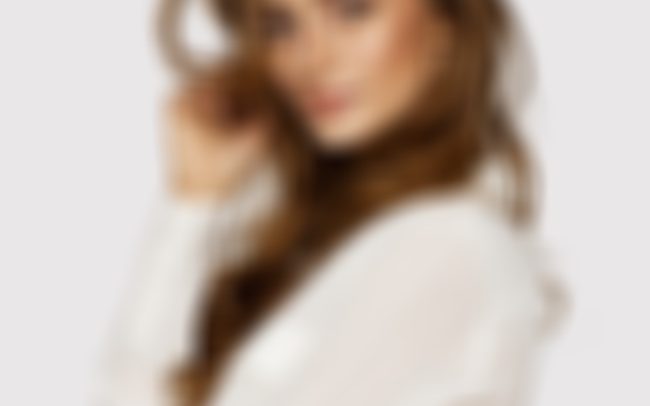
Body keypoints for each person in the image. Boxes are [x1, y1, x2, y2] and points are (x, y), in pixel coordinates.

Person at [96, 0, 566, 405]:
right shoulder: (343, 250)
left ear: (449, 22)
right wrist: (195, 200)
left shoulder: (450, 244)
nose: (312, 60)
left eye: (351, 10)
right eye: (279, 25)